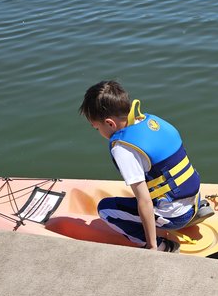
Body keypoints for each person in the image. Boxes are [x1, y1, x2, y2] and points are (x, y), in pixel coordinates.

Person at [79, 80, 206, 252]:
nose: (99, 132)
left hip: (176, 215)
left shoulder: (123, 148)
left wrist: (151, 246)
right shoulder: (153, 121)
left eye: (97, 128)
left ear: (109, 123)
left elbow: (144, 200)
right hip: (196, 200)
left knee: (105, 210)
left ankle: (163, 246)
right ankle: (191, 212)